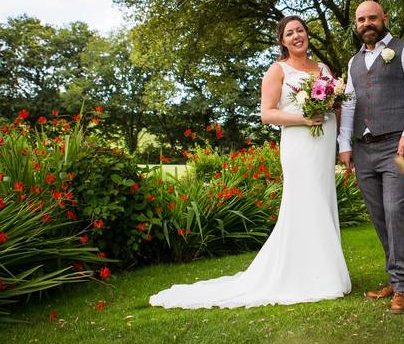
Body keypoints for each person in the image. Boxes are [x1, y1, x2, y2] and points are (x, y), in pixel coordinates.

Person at [149, 16, 351, 309]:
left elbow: (334, 105)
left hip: (323, 143)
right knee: (304, 203)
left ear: (308, 35)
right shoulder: (276, 70)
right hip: (299, 145)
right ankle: (306, 276)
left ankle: (325, 271)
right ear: (282, 41)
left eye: (300, 31)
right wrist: (303, 118)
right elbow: (267, 114)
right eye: (289, 33)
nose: (297, 36)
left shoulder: (322, 68)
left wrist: (338, 136)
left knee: (323, 199)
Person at [338, 0, 404, 314]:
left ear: (384, 19)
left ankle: (403, 287)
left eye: (372, 17)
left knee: (394, 211)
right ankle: (395, 279)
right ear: (357, 24)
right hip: (364, 150)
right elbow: (349, 105)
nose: (366, 23)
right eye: (361, 19)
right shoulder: (353, 63)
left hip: (395, 145)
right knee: (378, 216)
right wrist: (344, 146)